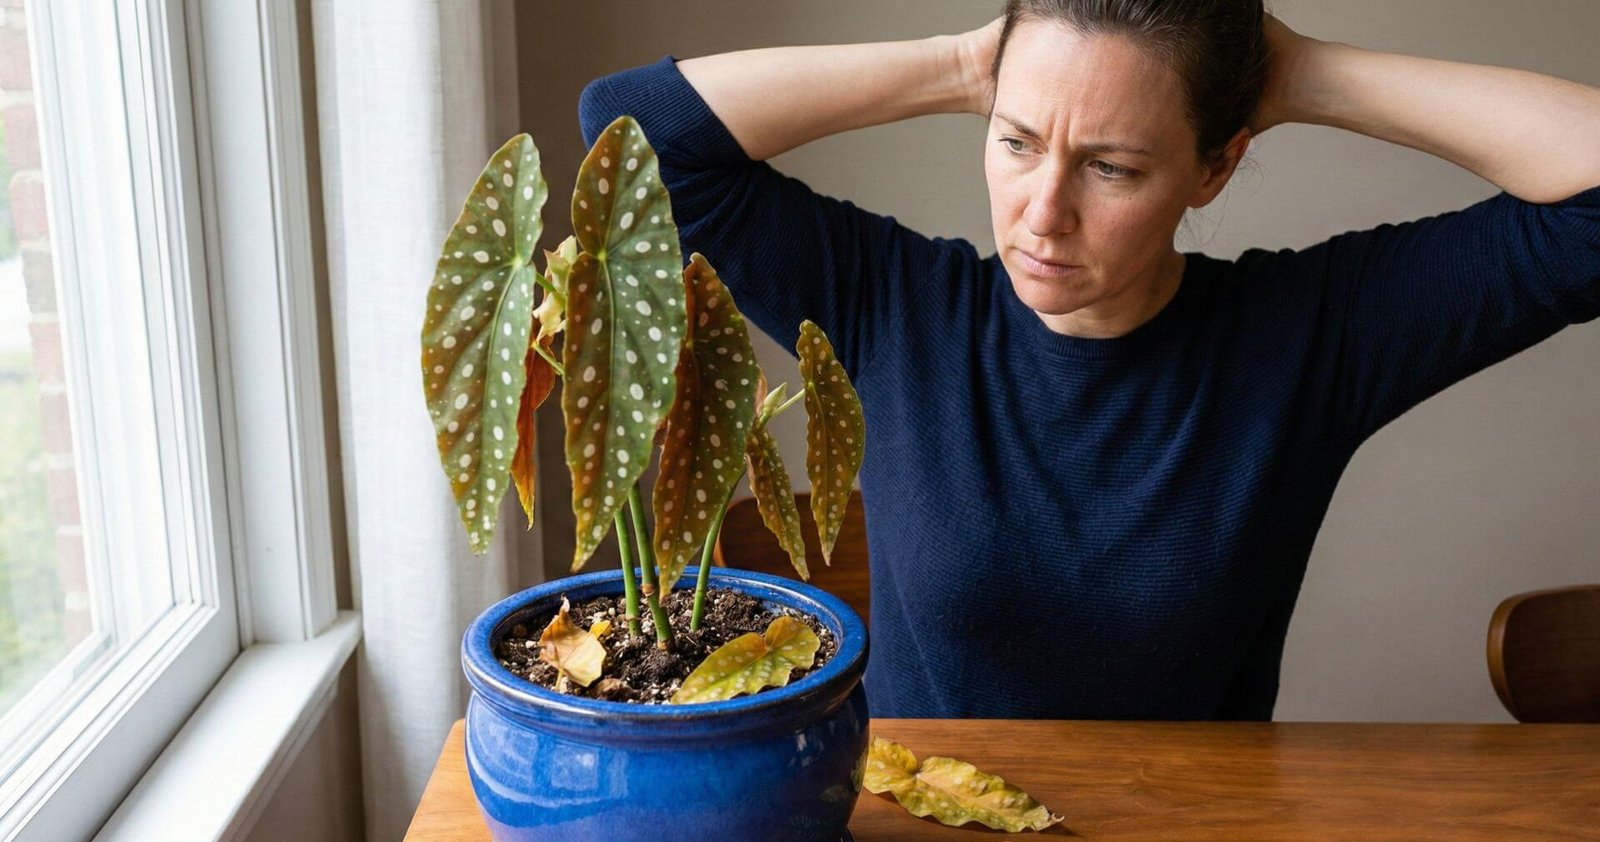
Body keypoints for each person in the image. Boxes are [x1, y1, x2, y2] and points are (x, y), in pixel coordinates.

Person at [576, 1, 1600, 720]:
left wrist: (1289, 71)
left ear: (1216, 165)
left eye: (1111, 166)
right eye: (1016, 141)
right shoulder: (892, 306)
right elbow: (629, 130)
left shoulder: (1306, 337)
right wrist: (972, 62)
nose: (1043, 214)